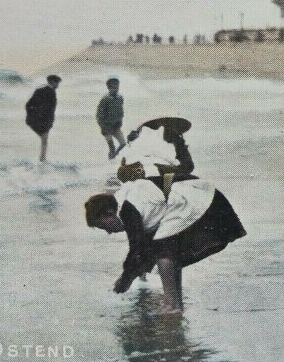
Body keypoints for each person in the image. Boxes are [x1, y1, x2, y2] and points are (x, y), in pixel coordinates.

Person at [85, 125, 245, 315]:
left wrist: (124, 280)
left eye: (104, 227)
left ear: (109, 213)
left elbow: (137, 250)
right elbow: (143, 250)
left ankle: (172, 305)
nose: (110, 232)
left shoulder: (127, 208)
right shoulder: (130, 201)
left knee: (163, 250)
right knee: (166, 250)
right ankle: (175, 303)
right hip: (207, 200)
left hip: (203, 202)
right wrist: (132, 274)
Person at [25, 74, 61, 163]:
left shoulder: (40, 90)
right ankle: (42, 159)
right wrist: (40, 116)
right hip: (43, 120)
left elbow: (29, 105)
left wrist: (33, 115)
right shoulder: (50, 92)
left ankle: (42, 158)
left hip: (39, 119)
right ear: (52, 82)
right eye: (57, 83)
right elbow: (49, 109)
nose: (58, 85)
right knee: (44, 140)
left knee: (44, 139)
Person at [97, 77, 125, 159]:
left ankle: (114, 158)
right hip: (106, 127)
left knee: (123, 144)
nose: (115, 88)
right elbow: (99, 115)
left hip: (116, 126)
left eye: (116, 86)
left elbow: (121, 111)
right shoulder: (105, 99)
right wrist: (103, 126)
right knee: (112, 147)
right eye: (112, 87)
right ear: (108, 88)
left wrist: (120, 121)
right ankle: (110, 160)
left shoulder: (120, 98)